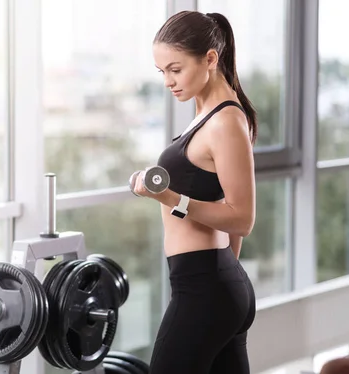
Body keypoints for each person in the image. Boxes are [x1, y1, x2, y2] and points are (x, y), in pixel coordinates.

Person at [132, 10, 258, 374]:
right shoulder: (207, 113)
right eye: (162, 72)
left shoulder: (226, 121)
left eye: (175, 69)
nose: (168, 82)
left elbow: (242, 217)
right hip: (214, 284)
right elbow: (222, 204)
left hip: (206, 289)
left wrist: (171, 199)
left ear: (210, 59)